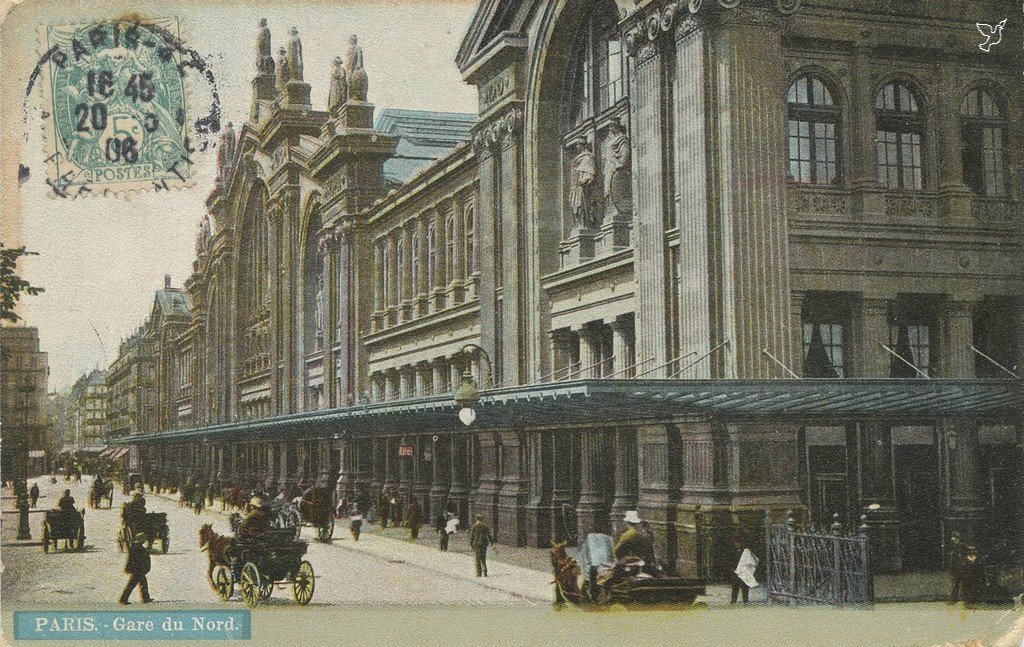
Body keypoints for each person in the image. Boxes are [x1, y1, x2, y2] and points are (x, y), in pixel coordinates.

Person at [119, 532, 153, 604]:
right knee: (133, 585)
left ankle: (145, 598)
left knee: (140, 584)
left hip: (137, 569)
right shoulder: (139, 548)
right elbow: (138, 559)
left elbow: (130, 559)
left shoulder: (134, 547)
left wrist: (128, 568)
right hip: (139, 570)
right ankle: (123, 599)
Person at [730, 536, 760, 604]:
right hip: (736, 571)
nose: (736, 544)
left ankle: (745, 601)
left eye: (737, 543)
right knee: (735, 587)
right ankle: (733, 601)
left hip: (744, 571)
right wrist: (733, 569)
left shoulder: (746, 551)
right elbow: (731, 561)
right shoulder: (734, 551)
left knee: (744, 586)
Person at [948, 531, 968, 603]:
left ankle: (965, 597)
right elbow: (952, 559)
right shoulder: (953, 546)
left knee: (963, 583)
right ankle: (954, 598)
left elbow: (965, 555)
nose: (953, 538)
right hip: (956, 568)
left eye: (954, 537)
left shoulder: (961, 545)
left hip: (961, 567)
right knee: (956, 583)